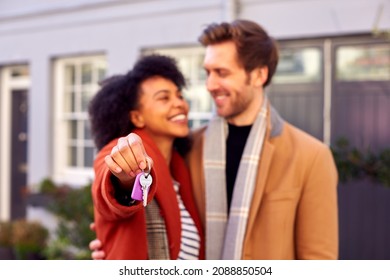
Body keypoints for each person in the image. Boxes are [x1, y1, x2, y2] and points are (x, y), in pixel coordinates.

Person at [90, 19, 339, 260]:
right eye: (208, 72)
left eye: (221, 72)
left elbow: (318, 260)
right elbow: (122, 193)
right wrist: (113, 245)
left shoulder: (311, 156)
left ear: (258, 75)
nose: (210, 85)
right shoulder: (189, 147)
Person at [88, 54, 205, 260]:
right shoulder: (124, 150)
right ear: (137, 117)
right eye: (164, 98)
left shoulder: (180, 166)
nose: (179, 103)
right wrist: (125, 178)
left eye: (179, 95)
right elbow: (111, 176)